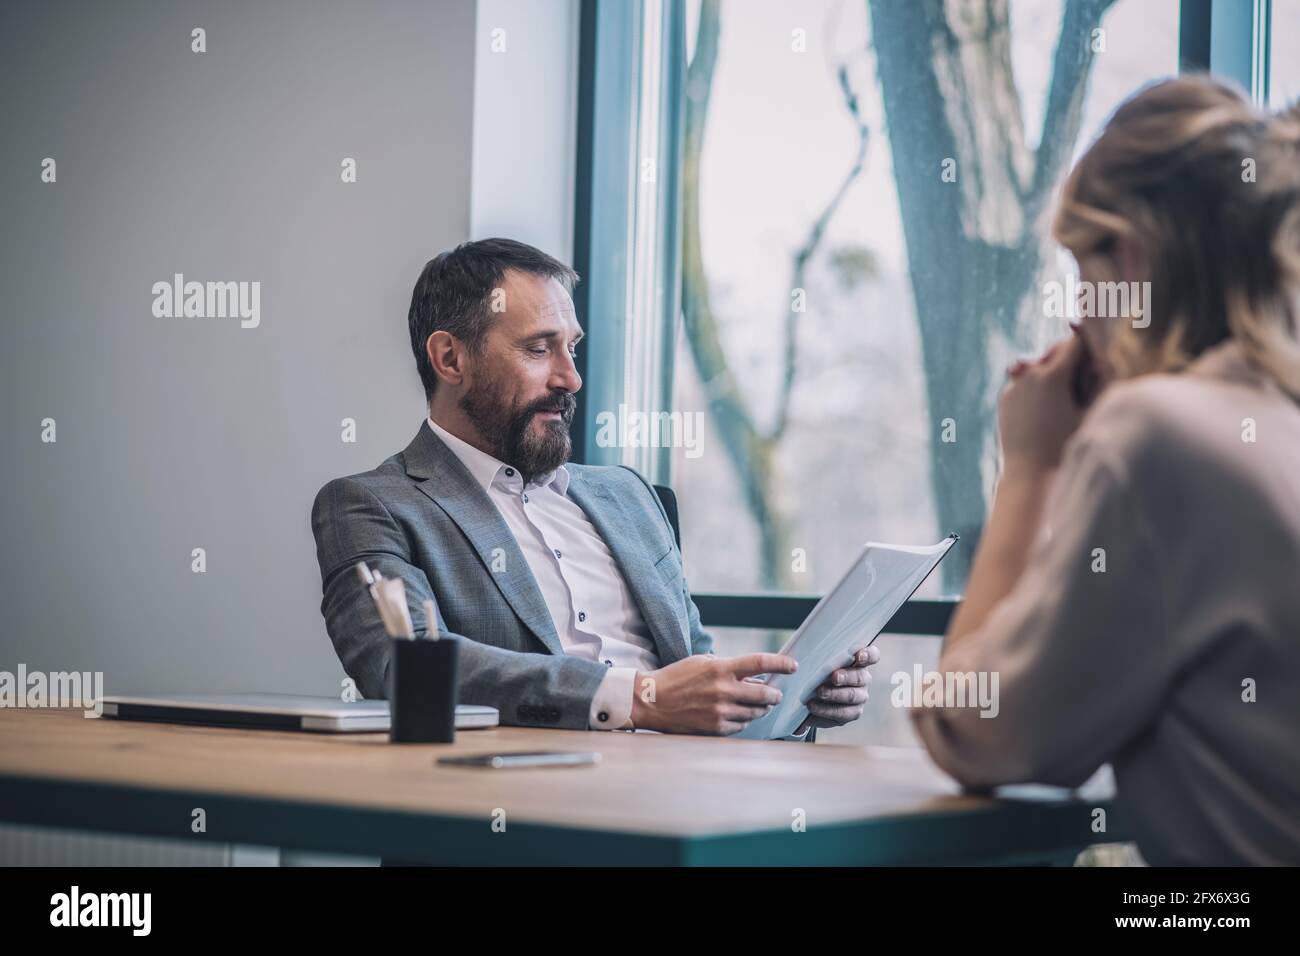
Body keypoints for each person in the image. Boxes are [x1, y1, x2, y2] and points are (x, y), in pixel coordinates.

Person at [911, 77, 1300, 865]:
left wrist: (1030, 465)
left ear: (1130, 254)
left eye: (1082, 268)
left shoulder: (1159, 433)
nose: (1078, 312)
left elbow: (976, 730)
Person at [312, 238, 879, 736]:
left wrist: (786, 699)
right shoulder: (374, 505)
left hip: (685, 790)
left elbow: (693, 665)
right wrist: (638, 697)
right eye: (539, 348)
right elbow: (402, 666)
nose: (571, 377)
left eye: (572, 347)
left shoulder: (628, 497)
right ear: (450, 357)